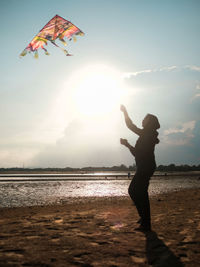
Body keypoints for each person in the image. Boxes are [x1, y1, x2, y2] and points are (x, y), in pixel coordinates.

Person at [120, 104, 160, 232]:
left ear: (149, 122)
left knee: (135, 191)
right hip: (145, 167)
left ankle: (146, 222)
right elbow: (136, 153)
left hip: (145, 167)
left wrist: (125, 111)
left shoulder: (147, 134)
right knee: (139, 192)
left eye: (145, 119)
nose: (142, 120)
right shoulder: (146, 134)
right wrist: (127, 145)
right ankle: (144, 219)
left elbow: (130, 125)